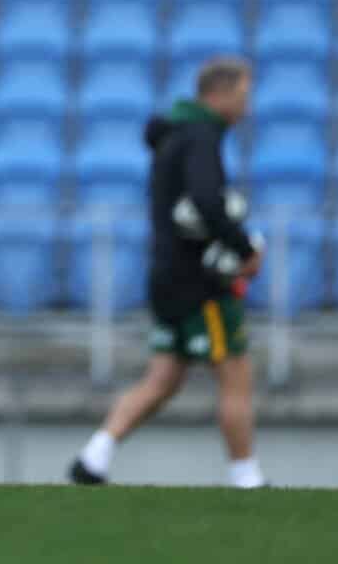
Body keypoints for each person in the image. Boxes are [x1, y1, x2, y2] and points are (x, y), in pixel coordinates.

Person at [71, 57, 265, 489]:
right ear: (220, 92)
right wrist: (244, 248)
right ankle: (248, 478)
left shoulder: (173, 134)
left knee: (163, 378)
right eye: (243, 95)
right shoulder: (201, 136)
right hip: (202, 281)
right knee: (235, 371)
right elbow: (205, 202)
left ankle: (93, 458)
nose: (247, 107)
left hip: (165, 274)